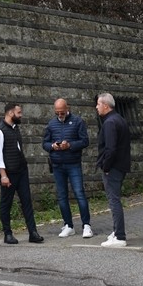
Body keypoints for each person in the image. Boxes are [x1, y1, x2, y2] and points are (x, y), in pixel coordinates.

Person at [0, 103, 44, 245]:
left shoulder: (15, 129)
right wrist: (3, 175)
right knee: (6, 203)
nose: (21, 115)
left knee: (27, 201)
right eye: (19, 113)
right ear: (10, 113)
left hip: (21, 170)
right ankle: (7, 233)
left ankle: (33, 232)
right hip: (8, 172)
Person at [42, 98, 93, 239]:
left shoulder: (78, 121)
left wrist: (69, 145)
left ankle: (86, 225)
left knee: (79, 193)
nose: (60, 114)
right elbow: (44, 143)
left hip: (73, 164)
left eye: (62, 112)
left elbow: (85, 141)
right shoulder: (51, 124)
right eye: (57, 112)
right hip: (57, 165)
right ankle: (68, 225)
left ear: (67, 108)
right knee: (62, 196)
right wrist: (53, 146)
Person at [95, 93, 131, 247]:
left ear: (105, 105)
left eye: (98, 104)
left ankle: (120, 236)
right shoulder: (120, 119)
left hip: (113, 167)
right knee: (114, 199)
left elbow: (110, 148)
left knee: (113, 200)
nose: (96, 107)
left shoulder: (109, 123)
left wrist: (106, 166)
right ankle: (116, 231)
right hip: (121, 165)